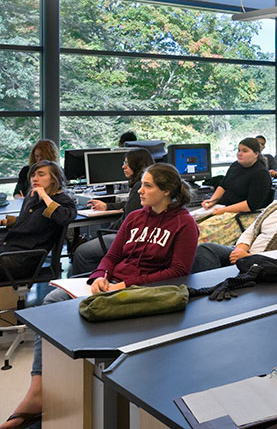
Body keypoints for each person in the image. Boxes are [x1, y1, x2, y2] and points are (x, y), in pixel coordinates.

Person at [1, 163, 198, 429]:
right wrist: (100, 275)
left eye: (147, 186)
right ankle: (38, 388)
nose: (140, 191)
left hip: (140, 293)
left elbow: (178, 272)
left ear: (166, 191)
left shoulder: (184, 223)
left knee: (75, 314)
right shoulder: (135, 217)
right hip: (110, 285)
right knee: (50, 303)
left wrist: (127, 284)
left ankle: (54, 395)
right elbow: (112, 256)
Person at [192, 166, 277, 272]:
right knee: (205, 250)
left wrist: (249, 258)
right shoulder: (276, 205)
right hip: (247, 253)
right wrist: (241, 249)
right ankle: (208, 287)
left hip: (266, 264)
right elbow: (252, 229)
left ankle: (213, 287)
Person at [70, 148, 155, 275]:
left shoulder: (139, 186)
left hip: (128, 237)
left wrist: (104, 233)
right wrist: (107, 206)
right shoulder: (145, 186)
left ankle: (89, 283)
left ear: (136, 165)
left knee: (82, 252)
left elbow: (127, 221)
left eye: (127, 163)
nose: (123, 166)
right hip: (137, 235)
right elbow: (129, 205)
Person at [1, 161, 77, 280]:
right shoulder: (32, 197)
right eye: (33, 175)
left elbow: (64, 217)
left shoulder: (63, 200)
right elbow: (30, 222)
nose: (35, 179)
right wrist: (4, 222)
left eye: (41, 175)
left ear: (54, 179)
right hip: (10, 250)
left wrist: (45, 196)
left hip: (23, 260)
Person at [198, 138, 272, 244]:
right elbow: (223, 186)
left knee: (199, 231)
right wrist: (212, 201)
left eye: (245, 151)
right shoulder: (236, 165)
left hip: (240, 214)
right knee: (189, 222)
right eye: (239, 150)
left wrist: (224, 210)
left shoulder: (261, 174)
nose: (239, 153)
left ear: (256, 154)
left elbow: (251, 205)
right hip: (222, 208)